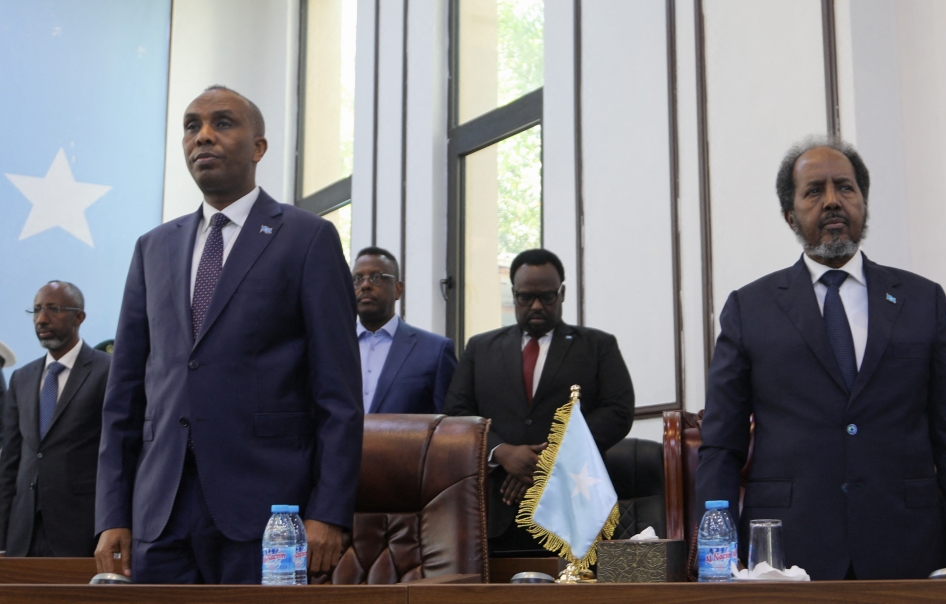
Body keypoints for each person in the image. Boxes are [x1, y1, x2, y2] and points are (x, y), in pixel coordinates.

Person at [94, 86, 362, 583]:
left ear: (258, 147)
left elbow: (339, 396)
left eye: (223, 123)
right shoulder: (153, 247)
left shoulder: (307, 239)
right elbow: (124, 396)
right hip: (160, 513)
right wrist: (113, 513)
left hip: (268, 516)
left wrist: (329, 512)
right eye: (192, 126)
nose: (204, 137)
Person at [696, 137, 946, 580]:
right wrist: (715, 562)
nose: (832, 200)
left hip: (908, 545)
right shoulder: (749, 308)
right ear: (789, 214)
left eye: (845, 188)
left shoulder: (923, 300)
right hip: (787, 553)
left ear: (864, 204)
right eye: (814, 191)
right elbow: (721, 446)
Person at [444, 248, 635, 554]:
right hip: (497, 510)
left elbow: (618, 411)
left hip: (573, 507)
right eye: (524, 297)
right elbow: (456, 413)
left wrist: (550, 457)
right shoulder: (480, 349)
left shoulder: (598, 346)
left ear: (562, 294)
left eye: (547, 297)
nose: (535, 305)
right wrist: (502, 451)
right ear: (514, 294)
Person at [0, 281, 110, 556]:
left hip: (82, 528)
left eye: (53, 309)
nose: (41, 319)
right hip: (23, 532)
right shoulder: (22, 378)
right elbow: (11, 462)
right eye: (36, 310)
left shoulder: (108, 370)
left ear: (79, 317)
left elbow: (120, 453)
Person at [353, 247, 457, 414]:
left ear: (398, 289)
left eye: (376, 277)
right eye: (358, 278)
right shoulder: (332, 348)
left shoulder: (435, 351)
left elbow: (448, 426)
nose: (365, 285)